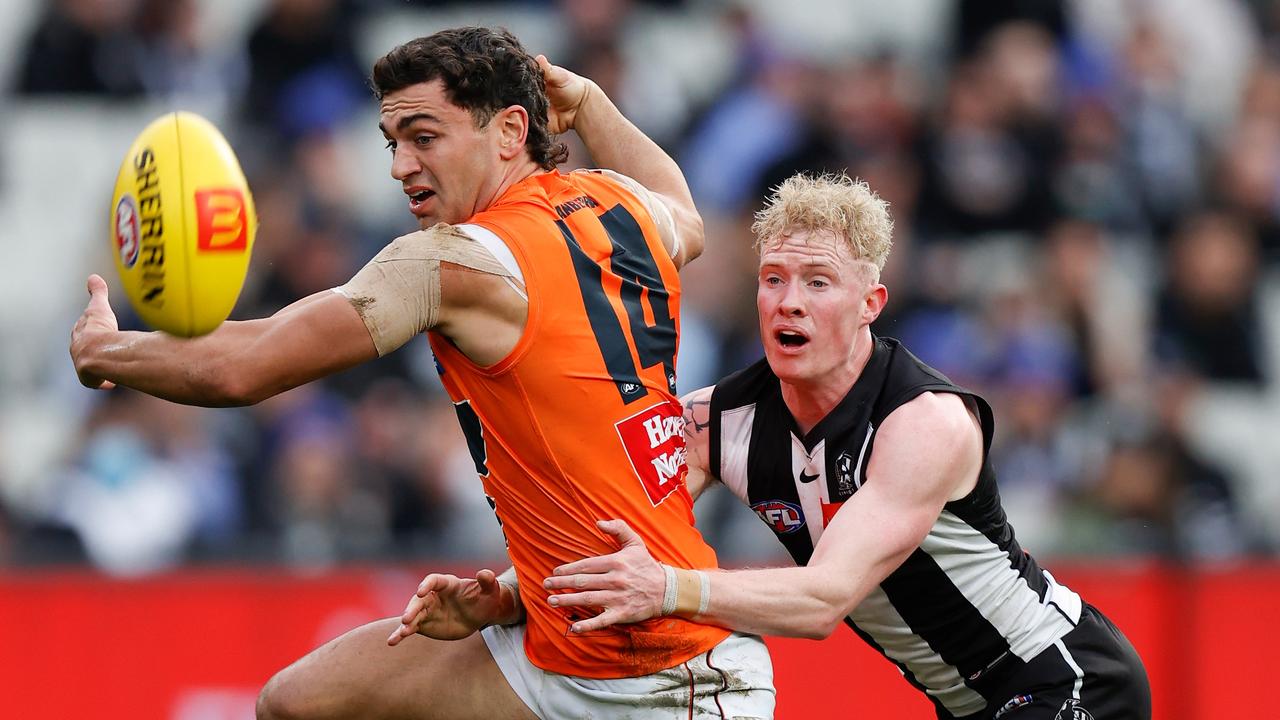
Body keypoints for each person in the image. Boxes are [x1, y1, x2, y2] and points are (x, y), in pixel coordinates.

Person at [69, 27, 774, 720]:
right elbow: (684, 209)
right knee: (300, 701)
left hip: (666, 673)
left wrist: (111, 350)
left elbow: (243, 369)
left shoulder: (452, 261)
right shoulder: (624, 208)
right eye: (392, 141)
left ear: (509, 132)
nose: (400, 165)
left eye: (424, 137)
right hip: (559, 642)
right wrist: (589, 103)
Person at [536, 173, 1152, 719]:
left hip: (1065, 676)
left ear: (870, 306)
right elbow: (611, 527)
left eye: (818, 282)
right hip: (967, 704)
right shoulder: (714, 418)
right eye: (773, 278)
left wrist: (667, 589)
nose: (790, 301)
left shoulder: (924, 422)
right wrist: (507, 595)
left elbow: (823, 600)